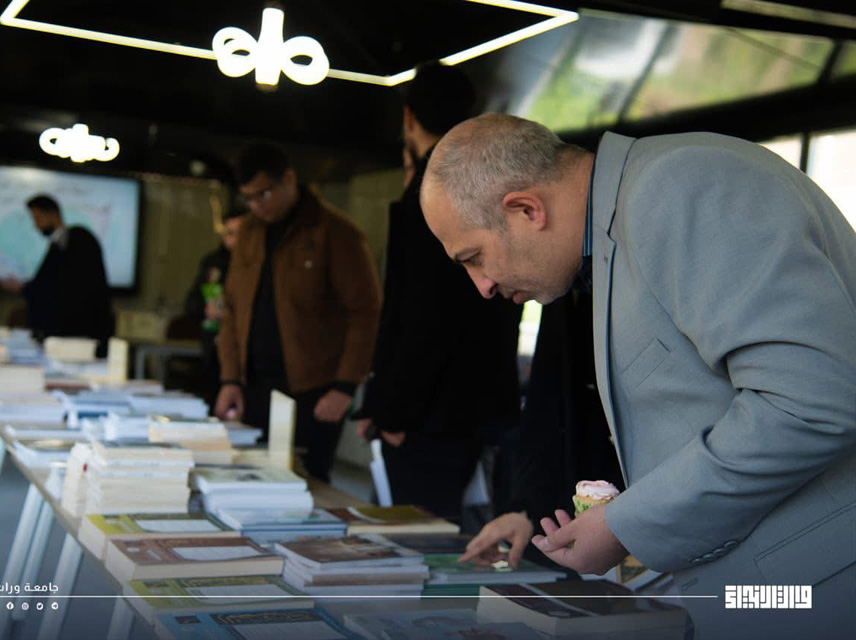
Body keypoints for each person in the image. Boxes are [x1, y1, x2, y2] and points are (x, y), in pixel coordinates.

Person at [421, 113, 855, 639]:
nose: (482, 286)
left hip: (814, 592)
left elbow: (809, 401)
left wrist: (627, 524)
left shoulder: (679, 187)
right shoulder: (622, 222)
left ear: (526, 209)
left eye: (474, 258)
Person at [353, 62, 521, 521]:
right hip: (478, 403)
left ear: (409, 117)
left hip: (426, 416)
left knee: (414, 541)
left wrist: (392, 412)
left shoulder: (432, 192)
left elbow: (422, 315)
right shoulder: (488, 183)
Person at [214, 142, 381, 482]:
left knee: (307, 485)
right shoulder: (248, 232)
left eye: (264, 193)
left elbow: (366, 311)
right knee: (249, 481)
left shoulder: (336, 231)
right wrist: (230, 378)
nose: (257, 205)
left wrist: (345, 387)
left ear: (288, 179)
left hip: (314, 391)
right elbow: (231, 308)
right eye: (249, 198)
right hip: (254, 388)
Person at [465, 289, 623, 568]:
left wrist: (626, 521)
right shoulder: (561, 294)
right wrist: (526, 511)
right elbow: (550, 405)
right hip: (583, 526)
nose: (485, 286)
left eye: (477, 264)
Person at [0, 194, 113, 353]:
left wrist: (25, 288)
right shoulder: (61, 243)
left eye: (38, 218)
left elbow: (62, 287)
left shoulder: (78, 239)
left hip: (77, 337)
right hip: (64, 337)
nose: (36, 226)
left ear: (53, 214)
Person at [183, 204, 245, 406]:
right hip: (213, 353)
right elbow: (191, 304)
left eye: (240, 234)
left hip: (246, 358)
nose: (234, 240)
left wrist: (228, 312)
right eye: (229, 234)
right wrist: (207, 309)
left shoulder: (258, 266)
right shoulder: (214, 263)